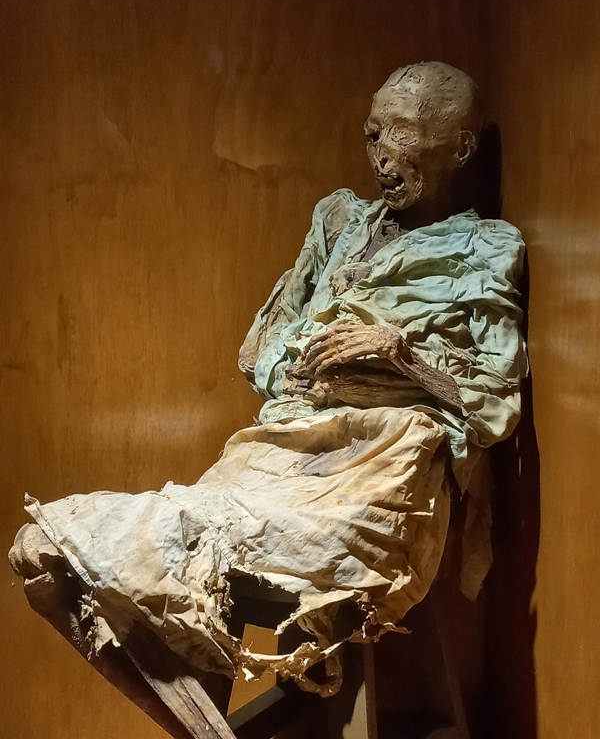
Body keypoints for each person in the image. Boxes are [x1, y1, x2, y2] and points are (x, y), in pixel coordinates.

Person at [10, 63, 527, 700]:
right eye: (373, 133)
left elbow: (495, 406)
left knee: (197, 559)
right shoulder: (338, 221)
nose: (381, 154)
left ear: (461, 148)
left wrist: (401, 358)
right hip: (277, 449)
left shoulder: (485, 248)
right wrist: (319, 373)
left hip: (378, 468)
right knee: (43, 550)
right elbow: (258, 353)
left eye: (401, 134)